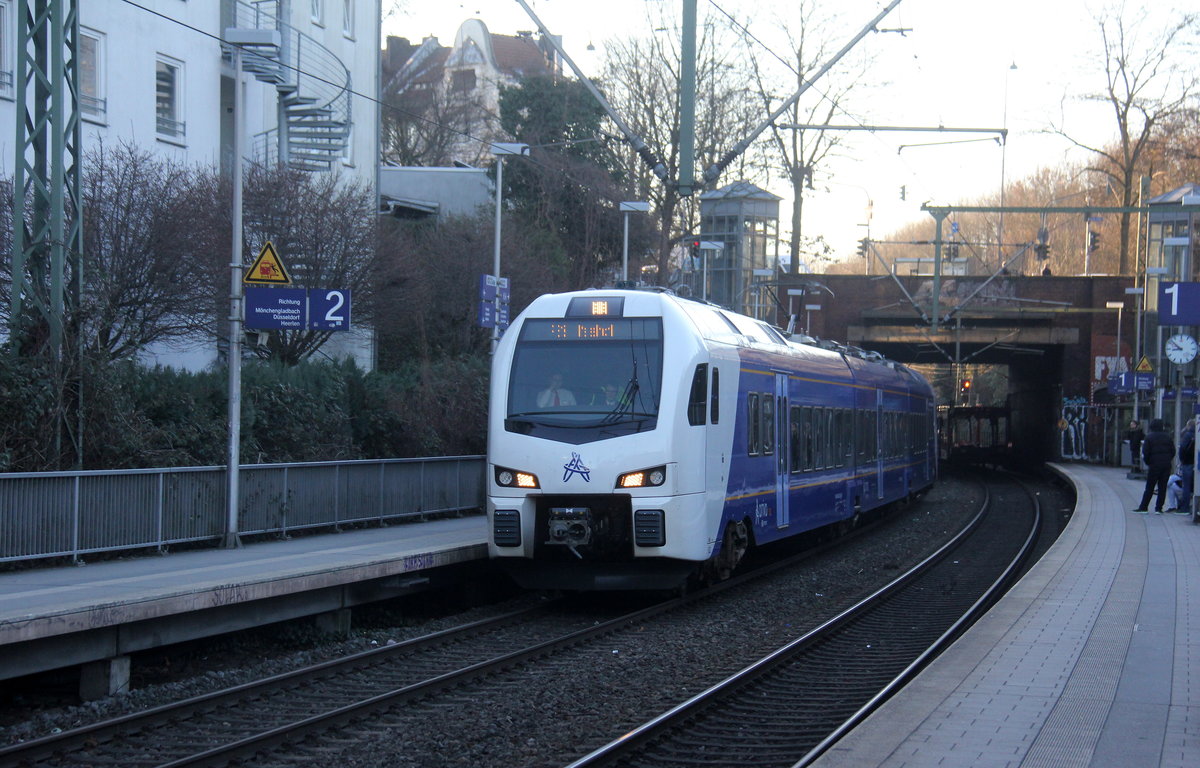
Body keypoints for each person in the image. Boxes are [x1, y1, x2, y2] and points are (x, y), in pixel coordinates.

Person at [1135, 418, 1175, 513]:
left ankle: (1144, 507)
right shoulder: (1168, 437)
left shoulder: (1149, 437)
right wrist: (1168, 459)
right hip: (1166, 465)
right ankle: (1159, 508)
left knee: (1150, 486)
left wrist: (1149, 462)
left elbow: (1146, 452)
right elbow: (1173, 451)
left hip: (1154, 465)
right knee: (1162, 487)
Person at [1179, 418, 1195, 514]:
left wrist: (1182, 460)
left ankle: (1185, 508)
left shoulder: (1187, 435)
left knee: (1186, 486)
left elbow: (1182, 449)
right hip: (1196, 463)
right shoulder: (1196, 434)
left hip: (1187, 463)